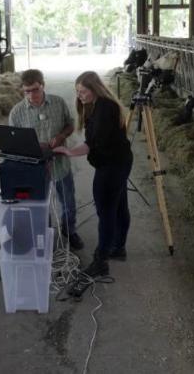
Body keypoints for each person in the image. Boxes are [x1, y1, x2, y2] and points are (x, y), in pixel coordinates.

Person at [53, 71, 132, 277]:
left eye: (84, 91)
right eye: (77, 91)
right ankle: (118, 247)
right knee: (119, 205)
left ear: (94, 88)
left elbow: (93, 143)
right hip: (119, 162)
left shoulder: (105, 108)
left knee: (105, 212)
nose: (80, 95)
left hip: (111, 166)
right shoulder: (96, 105)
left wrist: (69, 152)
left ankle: (101, 260)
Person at [8, 69, 84, 250]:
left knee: (67, 200)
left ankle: (69, 231)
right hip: (34, 167)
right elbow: (13, 142)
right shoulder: (16, 112)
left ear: (43, 85)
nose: (31, 95)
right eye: (27, 91)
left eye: (35, 90)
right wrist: (32, 148)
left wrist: (60, 136)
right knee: (38, 203)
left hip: (59, 163)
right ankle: (44, 231)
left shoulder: (58, 103)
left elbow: (70, 123)